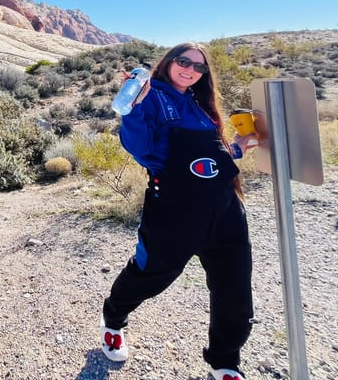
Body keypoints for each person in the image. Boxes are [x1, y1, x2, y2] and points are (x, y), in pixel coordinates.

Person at [100, 43, 257, 380]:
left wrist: (238, 149)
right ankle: (113, 318)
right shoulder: (151, 95)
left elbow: (210, 158)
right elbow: (140, 149)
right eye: (184, 61)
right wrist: (135, 106)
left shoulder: (200, 104)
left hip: (225, 210)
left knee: (234, 287)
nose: (191, 70)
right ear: (169, 62)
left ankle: (225, 362)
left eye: (199, 67)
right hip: (175, 211)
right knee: (150, 275)